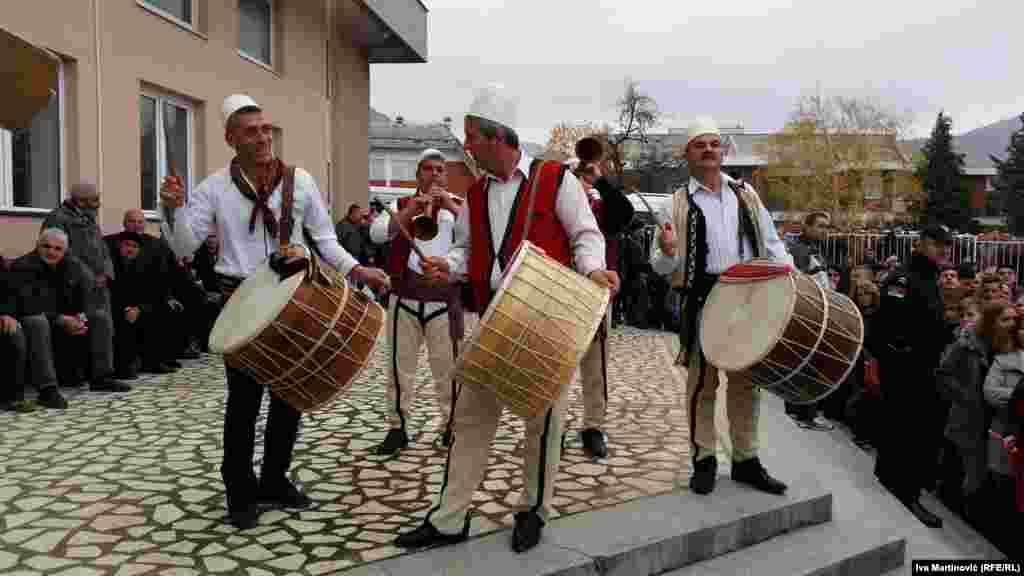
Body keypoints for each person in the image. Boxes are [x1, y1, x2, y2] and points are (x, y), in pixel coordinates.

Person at [396, 84, 618, 553]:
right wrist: (449, 266)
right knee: (470, 419)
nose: (467, 145)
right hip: (491, 318)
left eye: (472, 136)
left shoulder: (555, 179)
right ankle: (450, 517)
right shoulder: (474, 194)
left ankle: (533, 509)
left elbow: (585, 234)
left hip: (545, 319)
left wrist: (594, 270)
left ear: (497, 136)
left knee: (544, 421)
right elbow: (465, 250)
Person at [159, 94, 390, 529]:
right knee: (243, 403)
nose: (264, 137)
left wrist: (360, 269)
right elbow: (185, 247)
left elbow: (325, 240)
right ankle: (239, 493)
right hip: (240, 302)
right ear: (231, 139)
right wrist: (170, 209)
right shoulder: (213, 188)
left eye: (266, 129)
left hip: (295, 296)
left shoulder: (299, 181)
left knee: (290, 397)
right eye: (252, 131)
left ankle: (274, 480)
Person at [650, 116, 792, 497]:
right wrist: (666, 252)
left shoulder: (747, 194)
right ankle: (704, 459)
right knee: (702, 386)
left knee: (747, 384)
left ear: (723, 151)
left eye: (714, 144)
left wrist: (791, 278)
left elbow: (772, 242)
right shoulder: (675, 204)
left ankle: (746, 460)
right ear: (687, 155)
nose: (709, 150)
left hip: (747, 296)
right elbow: (660, 266)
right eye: (700, 145)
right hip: (702, 298)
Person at [369, 148, 464, 455]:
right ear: (418, 174)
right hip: (405, 296)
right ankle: (397, 428)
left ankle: (451, 426)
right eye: (428, 169)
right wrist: (411, 210)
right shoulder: (399, 205)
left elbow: (477, 236)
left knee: (447, 368)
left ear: (445, 176)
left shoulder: (458, 207)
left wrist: (447, 202)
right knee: (399, 368)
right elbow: (378, 234)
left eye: (440, 170)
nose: (434, 174)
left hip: (443, 299)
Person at [873, 224, 952, 527]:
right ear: (921, 244)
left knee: (910, 431)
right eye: (937, 243)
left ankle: (896, 484)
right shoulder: (904, 278)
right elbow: (890, 328)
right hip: (906, 370)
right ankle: (905, 493)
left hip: (923, 367)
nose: (943, 249)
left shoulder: (929, 276)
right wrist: (903, 360)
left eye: (946, 245)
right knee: (908, 431)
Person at [567, 149, 634, 459]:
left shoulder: (601, 208)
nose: (579, 183)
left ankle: (593, 427)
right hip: (560, 296)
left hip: (594, 297)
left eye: (582, 178)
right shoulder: (556, 208)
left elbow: (625, 212)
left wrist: (600, 180)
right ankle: (548, 425)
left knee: (596, 369)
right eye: (574, 177)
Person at [42, 181, 119, 389]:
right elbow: (60, 252)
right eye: (94, 199)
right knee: (85, 327)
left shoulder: (89, 217)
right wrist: (89, 276)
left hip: (99, 283)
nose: (98, 203)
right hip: (73, 285)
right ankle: (88, 375)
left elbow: (101, 247)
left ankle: (103, 374)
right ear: (80, 200)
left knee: (104, 326)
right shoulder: (57, 218)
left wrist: (106, 271)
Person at [783, 211, 835, 431]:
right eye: (820, 226)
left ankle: (807, 412)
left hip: (820, 313)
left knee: (813, 365)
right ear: (807, 226)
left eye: (827, 227)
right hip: (807, 314)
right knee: (805, 364)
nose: (824, 230)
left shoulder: (816, 250)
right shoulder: (798, 251)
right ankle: (802, 412)